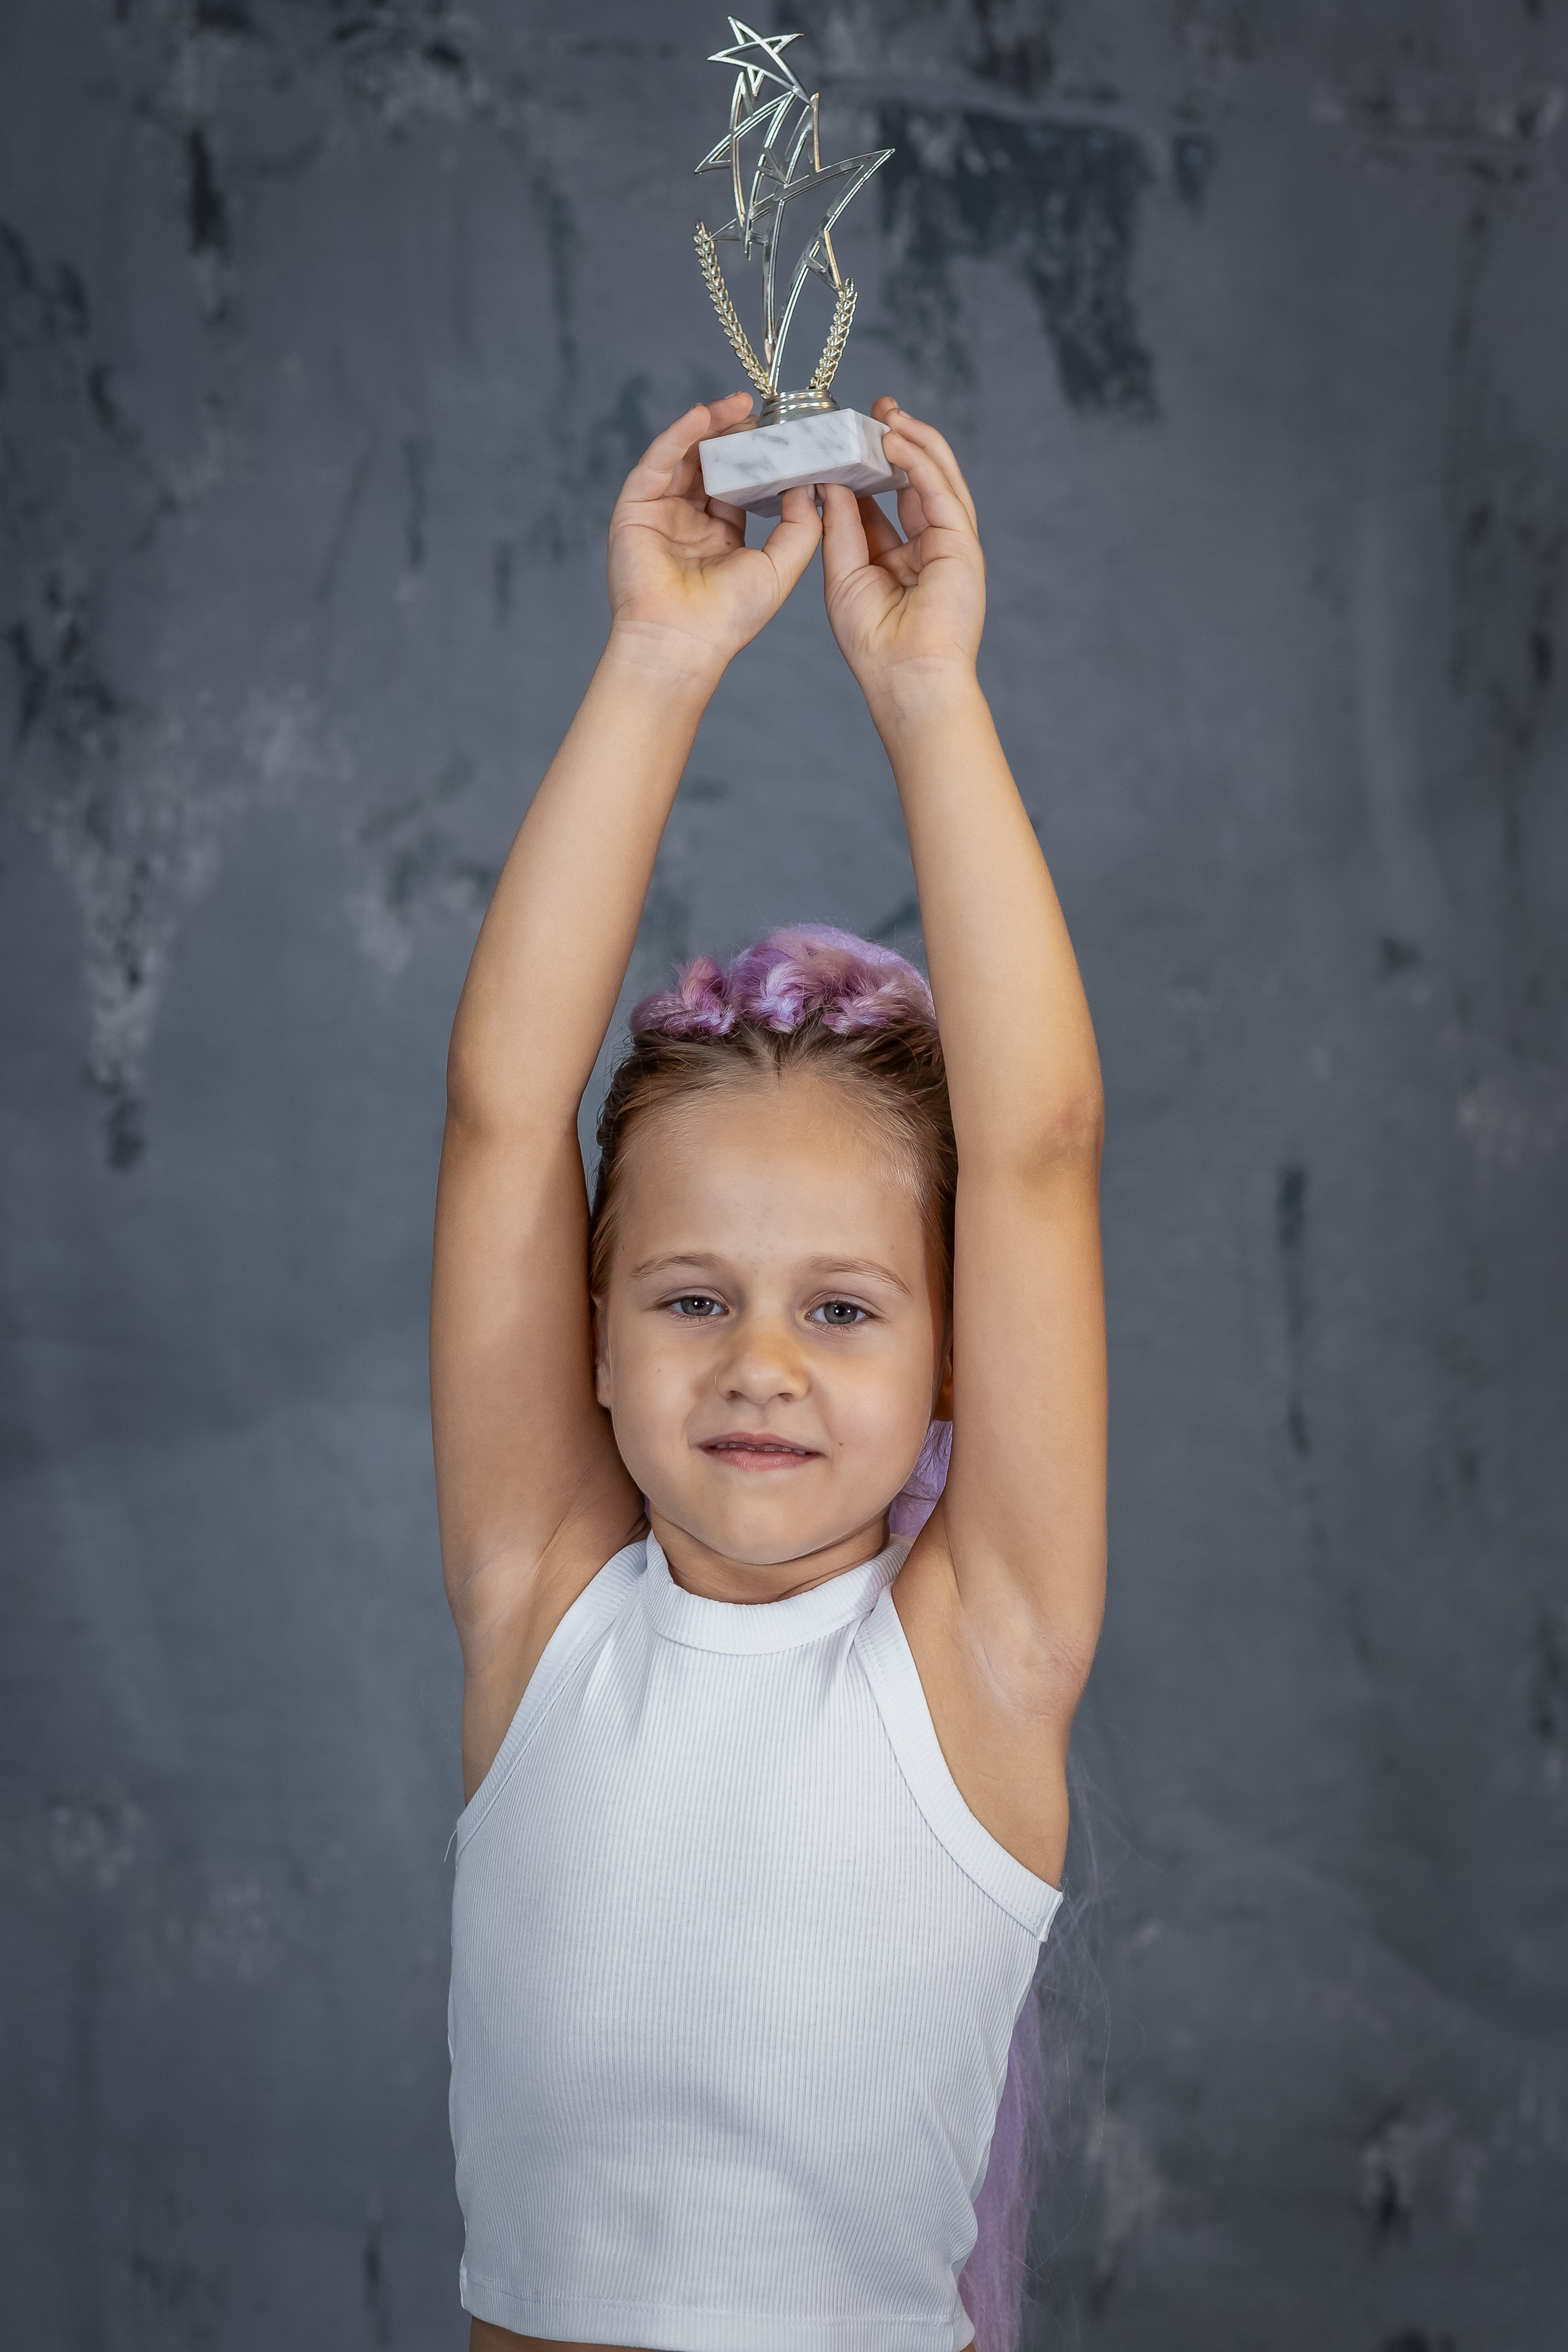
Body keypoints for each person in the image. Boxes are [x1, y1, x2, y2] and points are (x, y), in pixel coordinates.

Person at [433, 390, 1107, 2352]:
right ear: (588, 1335)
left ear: (955, 1344)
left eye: (842, 1307)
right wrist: (658, 660)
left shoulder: (980, 1661)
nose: (758, 1364)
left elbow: (1042, 1142)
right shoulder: (542, 1607)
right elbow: (502, 1113)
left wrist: (931, 699)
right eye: (687, 1298)